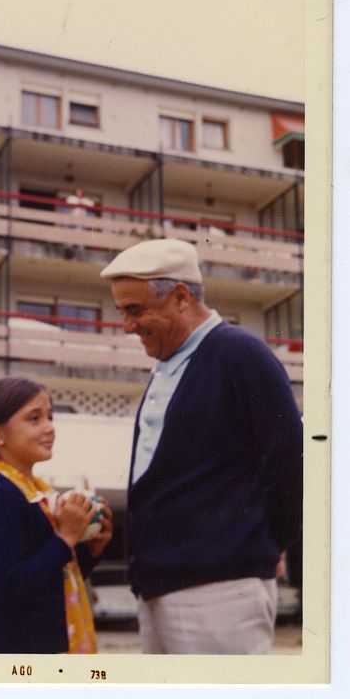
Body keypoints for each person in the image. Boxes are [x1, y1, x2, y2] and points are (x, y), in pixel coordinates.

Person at [99, 238, 303, 655]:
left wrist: (262, 547)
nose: (126, 326)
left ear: (180, 297)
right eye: (122, 311)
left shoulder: (240, 354)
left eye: (135, 310)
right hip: (159, 590)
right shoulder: (168, 365)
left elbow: (292, 467)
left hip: (220, 594)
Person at [0, 376, 113, 654]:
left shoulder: (35, 492)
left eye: (50, 417)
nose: (49, 428)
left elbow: (52, 582)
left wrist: (88, 550)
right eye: (34, 418)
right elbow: (13, 590)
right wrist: (65, 538)